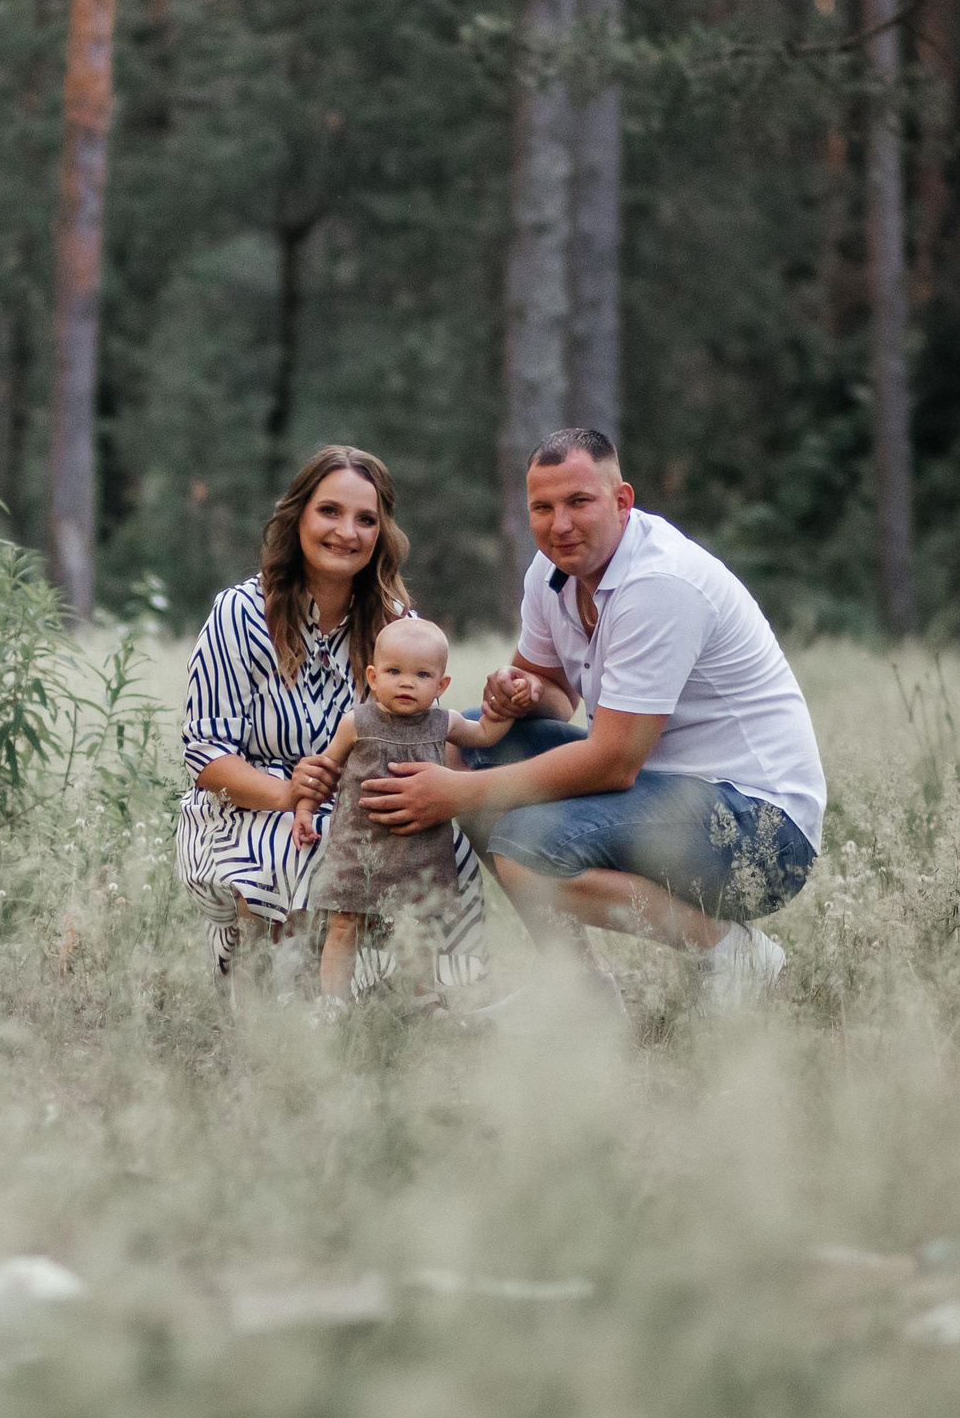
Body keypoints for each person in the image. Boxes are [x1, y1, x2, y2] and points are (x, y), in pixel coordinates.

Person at [359, 428, 825, 1006]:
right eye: (543, 507)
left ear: (622, 501)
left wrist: (456, 795)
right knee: (468, 741)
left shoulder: (657, 585)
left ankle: (735, 956)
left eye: (579, 503)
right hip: (663, 794)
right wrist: (519, 692)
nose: (560, 525)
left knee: (524, 848)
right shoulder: (550, 573)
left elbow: (613, 762)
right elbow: (554, 695)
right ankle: (577, 991)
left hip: (761, 828)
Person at [175, 446, 488, 1005]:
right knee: (291, 850)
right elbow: (205, 754)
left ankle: (410, 1001)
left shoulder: (397, 624)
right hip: (249, 805)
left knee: (451, 852)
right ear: (298, 516)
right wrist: (286, 792)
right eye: (330, 512)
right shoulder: (240, 614)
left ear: (382, 532)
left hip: (358, 806)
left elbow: (423, 727)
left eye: (366, 519)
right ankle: (263, 998)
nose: (347, 532)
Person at [292, 617, 512, 1000]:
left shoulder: (445, 723)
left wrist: (506, 709)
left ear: (441, 685)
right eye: (394, 671)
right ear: (373, 677)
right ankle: (333, 1006)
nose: (406, 682)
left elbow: (485, 735)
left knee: (419, 930)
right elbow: (324, 770)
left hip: (421, 851)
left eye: (422, 674)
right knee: (343, 926)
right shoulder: (355, 723)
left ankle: (420, 1002)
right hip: (359, 850)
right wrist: (304, 811)